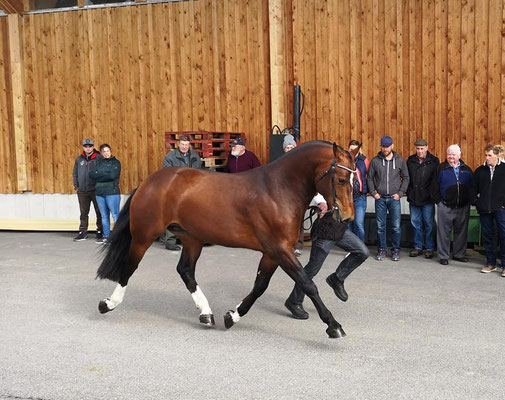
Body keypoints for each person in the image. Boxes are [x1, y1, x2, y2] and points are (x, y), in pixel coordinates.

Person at [284, 193, 369, 319]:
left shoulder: (348, 175)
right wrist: (320, 202)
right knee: (312, 269)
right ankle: (294, 301)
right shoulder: (327, 174)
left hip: (340, 228)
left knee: (362, 252)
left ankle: (337, 279)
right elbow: (316, 190)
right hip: (325, 231)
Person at [366, 136, 409, 261]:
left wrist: (400, 193)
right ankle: (382, 250)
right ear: (381, 146)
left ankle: (395, 251)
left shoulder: (400, 160)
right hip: (380, 199)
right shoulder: (375, 161)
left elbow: (406, 177)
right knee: (380, 227)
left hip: (394, 198)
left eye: (387, 146)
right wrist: (374, 193)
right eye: (383, 146)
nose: (385, 149)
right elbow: (369, 178)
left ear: (392, 146)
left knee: (396, 226)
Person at [431, 144, 474, 265]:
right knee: (443, 232)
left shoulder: (466, 169)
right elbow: (434, 187)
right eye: (449, 154)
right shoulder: (440, 168)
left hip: (463, 206)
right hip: (445, 206)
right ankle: (443, 256)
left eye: (453, 154)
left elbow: (472, 187)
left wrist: (469, 201)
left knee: (461, 232)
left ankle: (459, 254)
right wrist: (439, 202)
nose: (450, 157)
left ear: (459, 155)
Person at [473, 145, 505, 276]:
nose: (487, 158)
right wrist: (477, 202)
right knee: (488, 236)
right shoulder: (480, 171)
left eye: (490, 155)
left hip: (501, 209)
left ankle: (504, 265)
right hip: (485, 209)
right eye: (486, 155)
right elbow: (473, 189)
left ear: (497, 156)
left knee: (504, 235)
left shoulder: (504, 169)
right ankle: (490, 263)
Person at [406, 139, 440, 259]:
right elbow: (407, 178)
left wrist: (433, 195)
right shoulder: (410, 160)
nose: (419, 151)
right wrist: (408, 192)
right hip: (414, 197)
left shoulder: (434, 161)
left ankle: (430, 248)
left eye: (422, 149)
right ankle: (418, 247)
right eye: (417, 149)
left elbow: (436, 180)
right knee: (415, 223)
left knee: (429, 224)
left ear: (426, 148)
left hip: (428, 199)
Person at [89, 144, 121, 244]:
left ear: (110, 151)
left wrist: (100, 175)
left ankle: (117, 237)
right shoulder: (98, 163)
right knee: (104, 216)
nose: (106, 153)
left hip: (112, 193)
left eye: (108, 151)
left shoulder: (116, 162)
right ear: (101, 153)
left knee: (115, 215)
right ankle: (106, 236)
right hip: (99, 193)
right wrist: (104, 174)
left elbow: (112, 175)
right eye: (104, 151)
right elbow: (92, 174)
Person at [72, 138, 103, 242]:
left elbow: (103, 172)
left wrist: (99, 186)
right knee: (83, 212)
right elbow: (75, 173)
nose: (88, 148)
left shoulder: (99, 158)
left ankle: (100, 231)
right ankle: (83, 232)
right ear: (83, 147)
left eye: (90, 146)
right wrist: (76, 186)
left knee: (99, 211)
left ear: (93, 147)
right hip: (82, 191)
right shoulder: (79, 159)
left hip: (95, 190)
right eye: (86, 146)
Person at [283, 134, 304, 257]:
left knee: (299, 221)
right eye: (287, 147)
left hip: (297, 197)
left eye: (291, 147)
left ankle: (298, 245)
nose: (289, 149)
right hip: (284, 197)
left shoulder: (300, 163)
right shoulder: (279, 163)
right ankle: (286, 244)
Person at [348, 139, 369, 242]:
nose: (353, 151)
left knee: (359, 223)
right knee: (348, 224)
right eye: (351, 149)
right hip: (348, 197)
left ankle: (360, 247)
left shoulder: (364, 160)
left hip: (360, 196)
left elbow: (369, 176)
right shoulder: (345, 160)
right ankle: (351, 247)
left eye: (354, 149)